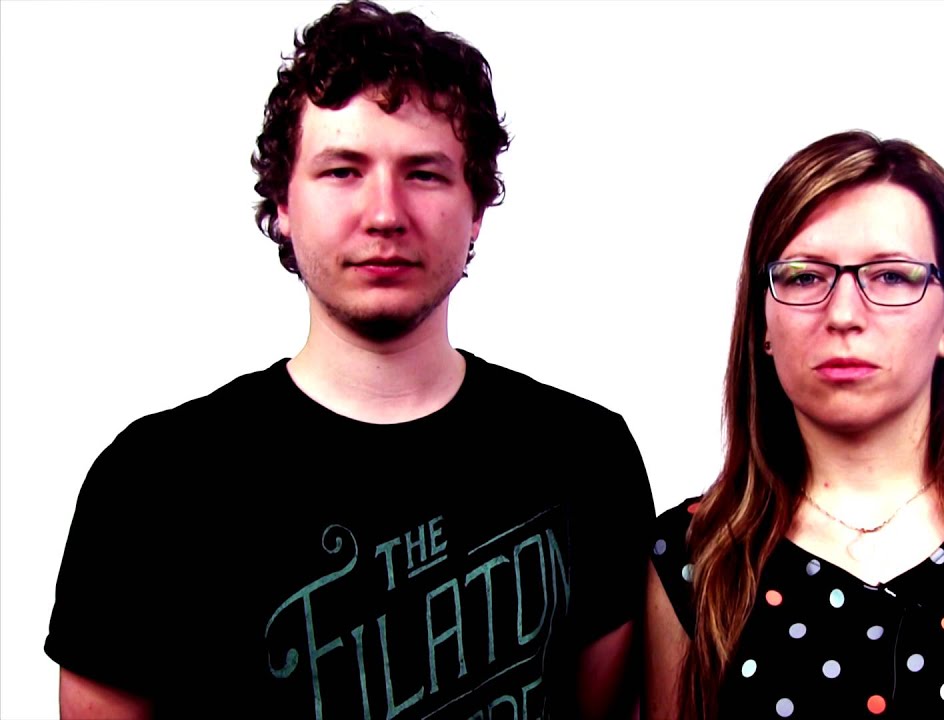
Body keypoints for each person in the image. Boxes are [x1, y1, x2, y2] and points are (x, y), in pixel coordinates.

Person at [44, 2, 655, 718]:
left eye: (423, 174)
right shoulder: (150, 483)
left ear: (477, 208)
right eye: (342, 171)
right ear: (282, 203)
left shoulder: (586, 456)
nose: (385, 214)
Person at [644, 131, 944, 719]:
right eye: (803, 276)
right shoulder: (694, 554)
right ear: (762, 325)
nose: (843, 314)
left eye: (891, 276)